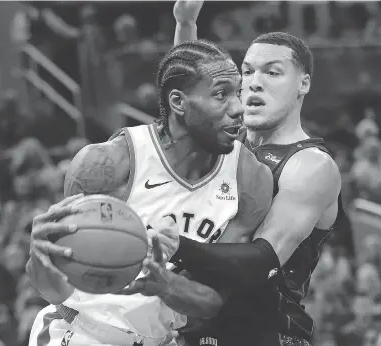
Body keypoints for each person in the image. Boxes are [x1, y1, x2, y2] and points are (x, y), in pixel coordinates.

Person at [26, 39, 273, 346]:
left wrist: (165, 285)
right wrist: (39, 258)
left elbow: (210, 301)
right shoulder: (107, 164)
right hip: (80, 332)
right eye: (221, 94)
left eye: (237, 92)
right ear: (178, 102)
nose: (238, 108)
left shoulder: (250, 180)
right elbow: (53, 291)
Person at [139, 1, 349, 345]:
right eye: (248, 71)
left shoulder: (310, 165)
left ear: (304, 84)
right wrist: (186, 22)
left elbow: (262, 261)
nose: (254, 82)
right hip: (196, 328)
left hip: (265, 334)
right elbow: (190, 98)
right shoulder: (227, 145)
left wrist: (180, 248)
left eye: (272, 72)